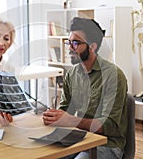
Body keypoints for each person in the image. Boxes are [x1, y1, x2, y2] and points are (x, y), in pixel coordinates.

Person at [42, 17, 128, 159]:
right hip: (79, 138)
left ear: (92, 47)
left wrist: (70, 120)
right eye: (68, 42)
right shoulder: (71, 73)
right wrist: (53, 117)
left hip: (107, 145)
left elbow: (109, 126)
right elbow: (65, 109)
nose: (69, 48)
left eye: (75, 43)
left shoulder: (114, 76)